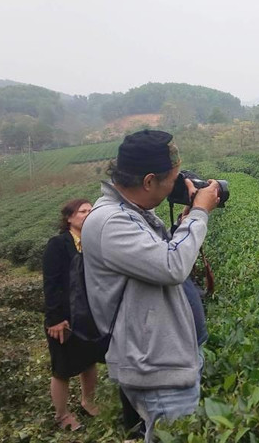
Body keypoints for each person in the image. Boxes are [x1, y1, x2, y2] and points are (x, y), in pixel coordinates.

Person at [81, 130, 219, 442]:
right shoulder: (111, 222)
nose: (176, 186)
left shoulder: (133, 213)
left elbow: (156, 260)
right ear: (148, 182)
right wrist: (199, 213)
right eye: (172, 179)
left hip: (163, 359)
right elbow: (172, 266)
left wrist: (185, 223)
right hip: (154, 368)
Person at [43, 198, 103, 431]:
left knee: (88, 361)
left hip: (86, 314)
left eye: (91, 210)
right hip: (64, 316)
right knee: (63, 368)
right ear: (69, 217)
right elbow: (51, 283)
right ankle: (62, 415)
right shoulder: (58, 244)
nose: (88, 214)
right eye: (82, 211)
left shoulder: (91, 242)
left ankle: (88, 401)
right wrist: (55, 319)